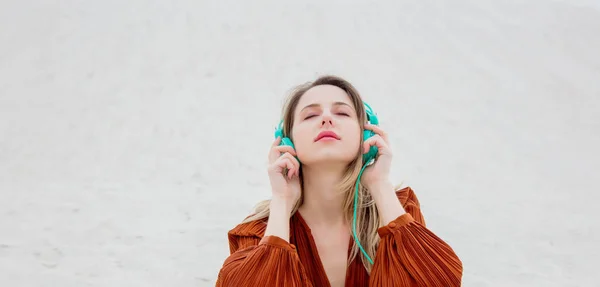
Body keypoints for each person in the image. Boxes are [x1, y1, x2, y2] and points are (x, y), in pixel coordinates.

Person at [215, 75, 463, 287]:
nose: (326, 119)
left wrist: (379, 184)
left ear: (366, 134)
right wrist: (282, 200)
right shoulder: (258, 231)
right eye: (310, 115)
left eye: (342, 112)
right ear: (286, 143)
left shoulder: (398, 210)